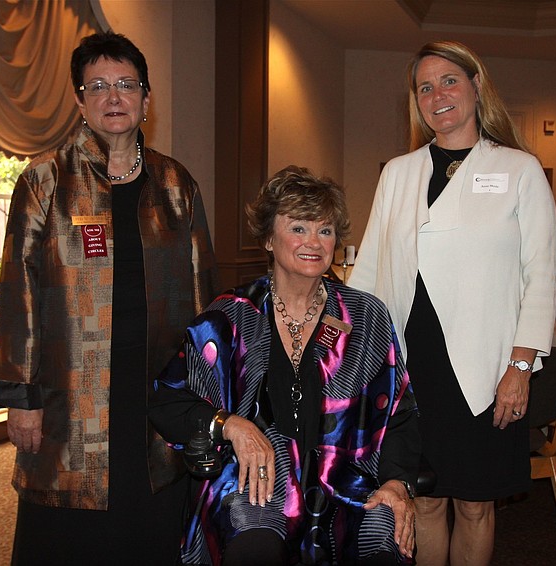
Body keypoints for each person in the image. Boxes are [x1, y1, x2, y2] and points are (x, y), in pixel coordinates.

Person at [0, 32, 218, 564]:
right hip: (69, 392)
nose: (113, 97)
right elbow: (19, 293)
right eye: (98, 86)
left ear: (146, 100)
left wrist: (207, 395)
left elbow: (204, 299)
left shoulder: (177, 185)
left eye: (126, 85)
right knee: (69, 530)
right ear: (81, 101)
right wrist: (22, 398)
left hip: (158, 389)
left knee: (151, 519)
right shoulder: (44, 181)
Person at [348, 41, 556, 565]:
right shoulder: (397, 172)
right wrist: (358, 358)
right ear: (415, 101)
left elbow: (543, 275)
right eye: (425, 86)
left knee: (473, 506)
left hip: (484, 368)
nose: (437, 94)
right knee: (422, 501)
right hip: (410, 363)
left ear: (476, 86)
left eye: (449, 81)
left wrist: (520, 367)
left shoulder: (519, 169)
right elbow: (370, 271)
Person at [149, 166, 420, 565]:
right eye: (298, 228)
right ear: (268, 239)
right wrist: (230, 424)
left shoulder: (365, 316)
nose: (314, 242)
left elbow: (400, 414)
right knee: (253, 547)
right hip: (252, 484)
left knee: (384, 543)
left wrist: (397, 482)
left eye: (324, 230)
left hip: (347, 486)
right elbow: (168, 400)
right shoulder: (228, 318)